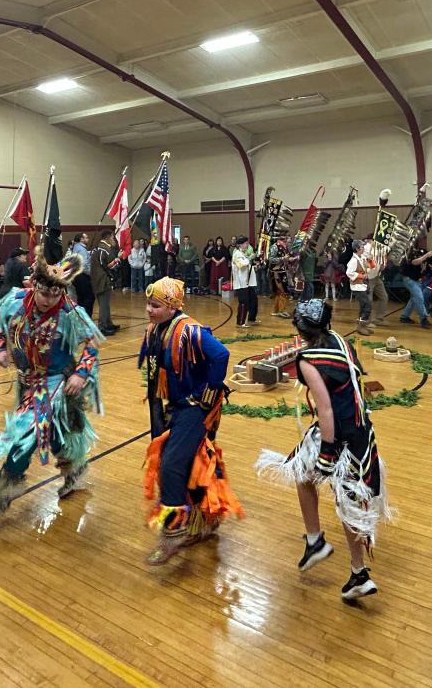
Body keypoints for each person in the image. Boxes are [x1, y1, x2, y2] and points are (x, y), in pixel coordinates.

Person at [0, 246, 104, 527]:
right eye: (45, 293)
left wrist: (81, 374)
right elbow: (0, 321)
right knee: (50, 433)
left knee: (26, 431)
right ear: (34, 285)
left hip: (56, 382)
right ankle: (74, 466)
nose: (49, 299)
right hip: (27, 380)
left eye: (56, 294)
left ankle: (8, 482)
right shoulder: (16, 300)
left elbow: (91, 342)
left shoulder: (71, 312)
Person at [256, 299, 392, 600]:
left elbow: (326, 409)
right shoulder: (341, 341)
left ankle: (320, 544)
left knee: (316, 482)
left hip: (338, 436)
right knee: (340, 497)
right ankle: (354, 570)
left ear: (300, 330)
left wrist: (327, 456)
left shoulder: (307, 359)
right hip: (361, 432)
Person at [139, 276, 242, 565]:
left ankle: (173, 533)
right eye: (148, 304)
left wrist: (209, 390)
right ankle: (204, 522)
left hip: (195, 409)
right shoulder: (156, 330)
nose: (149, 309)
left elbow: (221, 354)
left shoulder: (190, 331)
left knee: (172, 464)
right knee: (184, 465)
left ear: (172, 307)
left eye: (155, 305)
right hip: (172, 406)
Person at [90, 233, 120, 336]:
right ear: (106, 238)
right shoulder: (105, 249)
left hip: (98, 280)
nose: (114, 240)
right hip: (102, 280)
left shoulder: (98, 248)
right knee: (103, 305)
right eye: (112, 237)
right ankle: (103, 326)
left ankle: (108, 323)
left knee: (105, 304)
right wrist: (118, 259)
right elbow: (109, 266)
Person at [398, 247, 432, 329]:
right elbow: (414, 262)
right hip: (409, 279)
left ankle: (404, 316)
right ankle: (423, 319)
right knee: (419, 297)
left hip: (417, 280)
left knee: (414, 299)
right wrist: (426, 256)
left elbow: (426, 269)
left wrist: (431, 267)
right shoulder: (411, 252)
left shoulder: (426, 254)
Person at [346, 240, 373, 335]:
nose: (363, 249)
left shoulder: (362, 258)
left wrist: (370, 261)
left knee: (363, 306)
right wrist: (361, 276)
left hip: (363, 285)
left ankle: (362, 326)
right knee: (367, 306)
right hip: (357, 286)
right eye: (362, 247)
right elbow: (349, 273)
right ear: (357, 249)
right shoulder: (354, 260)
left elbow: (370, 268)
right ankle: (361, 326)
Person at [231, 235, 259, 327]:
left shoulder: (242, 254)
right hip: (241, 283)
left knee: (252, 300)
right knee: (243, 302)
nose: (248, 245)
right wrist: (250, 258)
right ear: (240, 245)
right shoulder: (237, 254)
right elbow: (241, 264)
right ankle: (240, 322)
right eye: (246, 243)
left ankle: (251, 319)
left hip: (247, 282)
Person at [70, 232, 95, 316]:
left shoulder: (76, 247)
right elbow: (84, 265)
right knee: (89, 298)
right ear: (81, 239)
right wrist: (91, 274)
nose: (88, 239)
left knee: (81, 299)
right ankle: (87, 319)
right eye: (86, 237)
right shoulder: (81, 249)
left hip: (77, 276)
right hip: (83, 276)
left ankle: (81, 318)